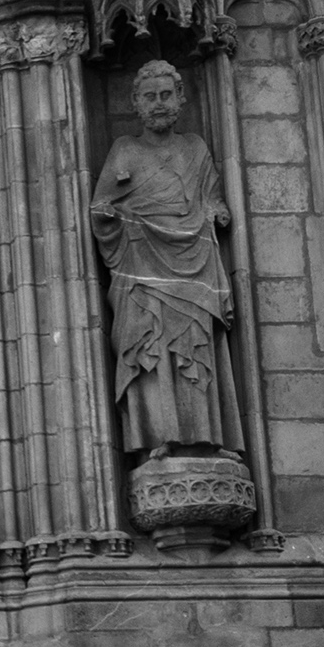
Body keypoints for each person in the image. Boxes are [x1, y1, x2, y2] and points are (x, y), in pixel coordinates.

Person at [90, 58, 242, 458]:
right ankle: (157, 438)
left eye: (166, 95)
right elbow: (101, 208)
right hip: (142, 266)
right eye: (149, 96)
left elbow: (210, 198)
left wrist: (216, 211)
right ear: (136, 104)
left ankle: (208, 437)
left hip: (194, 264)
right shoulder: (126, 150)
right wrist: (114, 219)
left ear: (181, 99)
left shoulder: (195, 148)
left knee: (196, 347)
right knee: (151, 345)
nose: (158, 103)